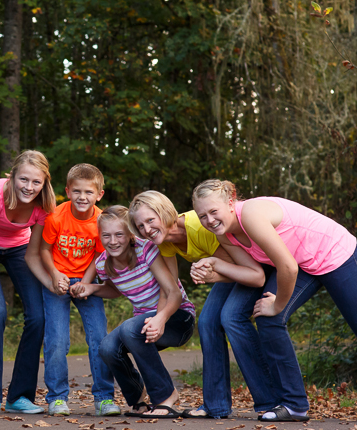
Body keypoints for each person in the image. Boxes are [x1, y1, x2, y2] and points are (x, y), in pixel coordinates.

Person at [191, 179, 357, 423]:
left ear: (231, 201)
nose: (209, 220)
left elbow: (287, 268)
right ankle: (294, 405)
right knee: (268, 319)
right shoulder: (225, 234)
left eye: (213, 211)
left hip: (335, 255)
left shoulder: (251, 215)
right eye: (202, 216)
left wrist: (278, 304)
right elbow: (256, 277)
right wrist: (215, 270)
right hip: (303, 263)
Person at [128, 191, 273, 419]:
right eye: (140, 226)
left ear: (164, 212)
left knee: (231, 318)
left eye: (150, 220)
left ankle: (270, 401)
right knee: (206, 323)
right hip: (230, 272)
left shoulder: (197, 228)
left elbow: (244, 269)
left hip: (254, 267)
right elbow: (171, 289)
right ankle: (215, 406)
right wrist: (160, 318)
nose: (146, 230)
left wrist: (211, 273)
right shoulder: (165, 242)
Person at [71, 205, 195, 418]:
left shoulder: (146, 250)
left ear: (130, 235)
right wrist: (91, 288)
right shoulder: (103, 264)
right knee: (108, 347)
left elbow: (172, 292)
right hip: (143, 324)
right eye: (106, 235)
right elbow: (114, 289)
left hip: (177, 317)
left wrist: (159, 318)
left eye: (119, 234)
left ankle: (166, 396)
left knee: (129, 328)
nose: (113, 241)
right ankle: (138, 398)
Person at [0, 150, 56, 415]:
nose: (29, 187)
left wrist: (50, 283)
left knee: (38, 316)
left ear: (44, 183)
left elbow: (33, 253)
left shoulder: (43, 206)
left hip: (19, 248)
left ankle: (19, 397)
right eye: (23, 180)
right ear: (12, 176)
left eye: (36, 182)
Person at [25, 163, 118, 417]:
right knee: (57, 341)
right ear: (67, 191)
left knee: (99, 338)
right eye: (76, 191)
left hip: (85, 279)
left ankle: (104, 398)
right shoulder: (56, 215)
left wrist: (87, 283)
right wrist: (55, 275)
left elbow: (99, 256)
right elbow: (44, 249)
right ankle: (56, 398)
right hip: (58, 280)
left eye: (89, 193)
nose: (82, 197)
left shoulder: (101, 221)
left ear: (99, 194)